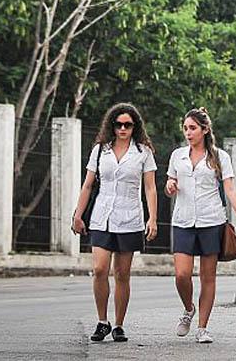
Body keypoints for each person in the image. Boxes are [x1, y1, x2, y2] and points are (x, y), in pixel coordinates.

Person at [72, 102, 159, 343]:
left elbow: (150, 188)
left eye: (127, 125)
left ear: (135, 126)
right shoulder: (101, 150)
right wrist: (78, 215)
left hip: (130, 217)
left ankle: (119, 325)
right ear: (112, 125)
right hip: (101, 217)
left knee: (122, 274)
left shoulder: (143, 152)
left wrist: (153, 218)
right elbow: (88, 184)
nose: (122, 128)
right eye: (118, 124)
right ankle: (102, 321)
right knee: (100, 269)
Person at [165, 107, 236, 343]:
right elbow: (170, 181)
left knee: (208, 277)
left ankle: (203, 328)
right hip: (183, 220)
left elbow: (230, 190)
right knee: (181, 275)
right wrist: (170, 185)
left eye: (192, 128)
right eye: (185, 128)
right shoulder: (178, 155)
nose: (188, 132)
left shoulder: (220, 157)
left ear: (204, 130)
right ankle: (188, 309)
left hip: (211, 221)